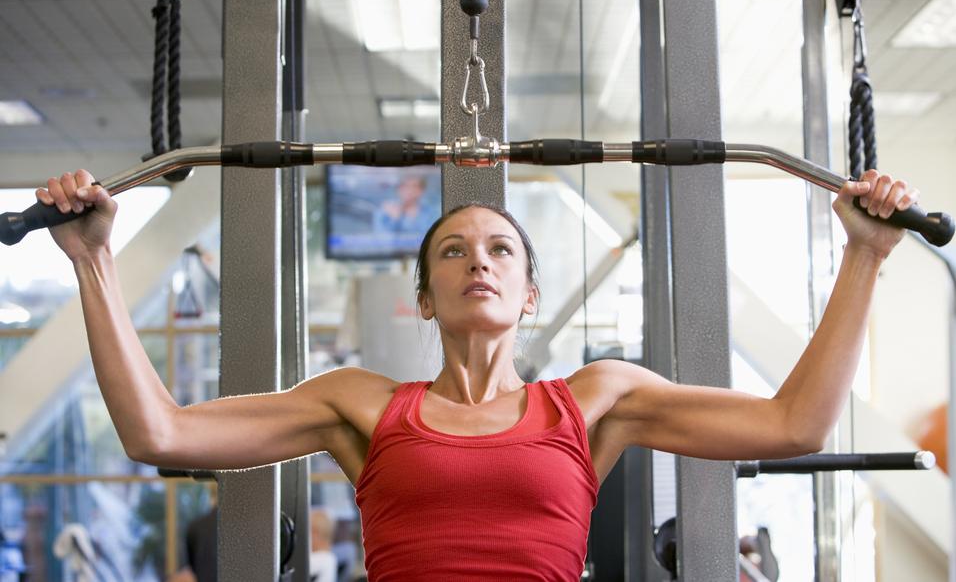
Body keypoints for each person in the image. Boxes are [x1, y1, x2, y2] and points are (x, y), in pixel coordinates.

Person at [37, 167, 918, 580]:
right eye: (452, 251)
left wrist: (866, 257)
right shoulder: (360, 403)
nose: (478, 262)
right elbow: (163, 432)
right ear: (425, 297)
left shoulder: (595, 400)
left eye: (500, 249)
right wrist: (92, 263)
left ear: (530, 293)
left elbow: (795, 422)